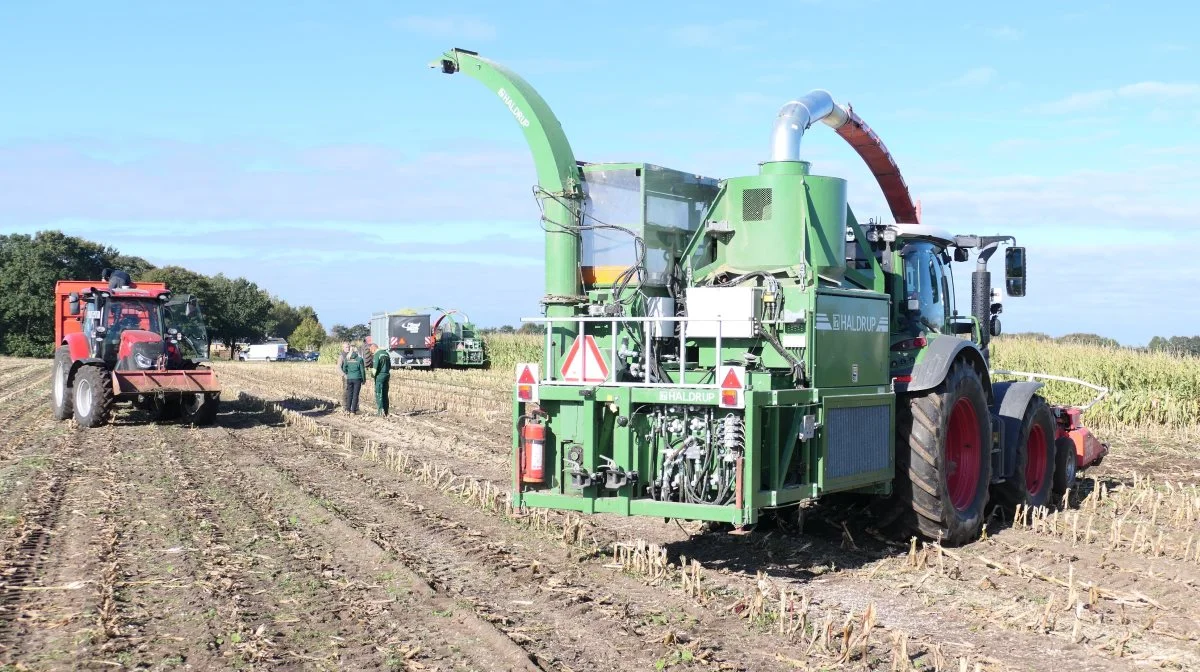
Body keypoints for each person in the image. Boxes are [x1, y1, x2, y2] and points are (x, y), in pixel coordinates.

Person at [340, 345, 366, 414]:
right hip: (357, 379)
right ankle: (353, 410)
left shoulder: (347, 359)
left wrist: (348, 373)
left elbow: (344, 369)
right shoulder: (360, 359)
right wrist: (364, 380)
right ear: (356, 351)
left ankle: (347, 409)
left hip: (349, 379)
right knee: (355, 395)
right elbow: (362, 371)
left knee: (349, 394)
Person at [368, 343, 391, 416]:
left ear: (373, 348)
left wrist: (372, 375)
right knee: (385, 393)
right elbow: (390, 366)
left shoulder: (377, 355)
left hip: (379, 376)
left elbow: (375, 369)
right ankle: (386, 411)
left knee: (379, 393)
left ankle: (380, 412)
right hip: (387, 375)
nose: (371, 352)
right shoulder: (386, 354)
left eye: (371, 351)